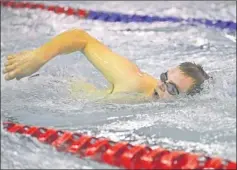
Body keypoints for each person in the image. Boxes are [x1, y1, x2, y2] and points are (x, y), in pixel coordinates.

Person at [3, 29, 210, 99]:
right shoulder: (132, 81)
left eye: (172, 88)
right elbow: (81, 38)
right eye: (165, 77)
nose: (162, 85)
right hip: (38, 85)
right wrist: (38, 58)